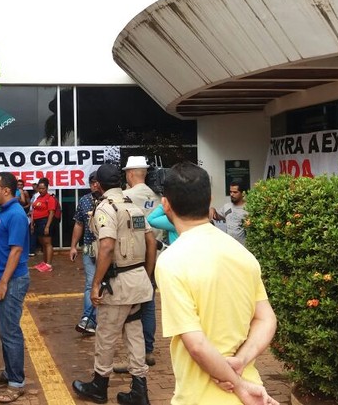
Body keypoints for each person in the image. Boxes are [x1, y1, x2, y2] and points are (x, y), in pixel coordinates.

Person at [155, 162, 279, 405]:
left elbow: (198, 345)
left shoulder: (172, 261)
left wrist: (240, 386)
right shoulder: (242, 254)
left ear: (166, 204)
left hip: (201, 397)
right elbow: (266, 318)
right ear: (209, 199)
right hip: (253, 390)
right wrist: (241, 362)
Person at [72, 163, 156, 405]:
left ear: (98, 184)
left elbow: (107, 246)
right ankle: (140, 389)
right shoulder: (133, 207)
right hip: (138, 282)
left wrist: (96, 284)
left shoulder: (105, 209)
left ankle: (99, 385)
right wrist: (146, 275)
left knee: (106, 333)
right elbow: (151, 243)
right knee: (134, 334)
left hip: (117, 284)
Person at [0, 172, 30, 404]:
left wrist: (3, 282)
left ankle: (16, 383)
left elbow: (15, 251)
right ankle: (9, 372)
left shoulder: (15, 214)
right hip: (4, 280)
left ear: (6, 190)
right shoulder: (4, 212)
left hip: (12, 282)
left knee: (11, 332)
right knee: (5, 330)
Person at [119, 155, 161, 370]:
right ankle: (149, 349)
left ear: (130, 173)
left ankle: (136, 354)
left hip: (135, 257)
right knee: (150, 303)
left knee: (132, 306)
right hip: (158, 255)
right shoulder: (159, 195)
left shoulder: (125, 196)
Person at [69, 171, 100, 336]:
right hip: (89, 248)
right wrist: (73, 246)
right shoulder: (84, 200)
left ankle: (105, 319)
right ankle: (88, 319)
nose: (94, 185)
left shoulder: (111, 200)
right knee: (90, 284)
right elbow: (79, 224)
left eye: (97, 182)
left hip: (108, 249)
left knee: (107, 284)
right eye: (92, 182)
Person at [209, 179, 249, 244]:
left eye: (235, 192)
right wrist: (213, 209)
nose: (232, 194)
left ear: (243, 193)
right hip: (230, 246)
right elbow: (217, 217)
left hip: (244, 248)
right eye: (230, 192)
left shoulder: (248, 208)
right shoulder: (227, 206)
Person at [31, 178, 56, 272]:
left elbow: (51, 213)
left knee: (47, 243)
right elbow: (34, 211)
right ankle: (45, 262)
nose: (41, 190)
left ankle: (49, 264)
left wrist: (47, 226)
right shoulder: (38, 198)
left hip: (44, 222)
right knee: (42, 243)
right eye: (40, 188)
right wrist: (32, 223)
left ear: (47, 188)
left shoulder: (50, 198)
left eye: (43, 188)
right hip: (37, 223)